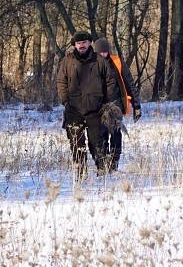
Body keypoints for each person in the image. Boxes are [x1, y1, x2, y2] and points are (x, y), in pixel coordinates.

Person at [56, 31, 123, 179]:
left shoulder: (99, 60)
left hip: (96, 110)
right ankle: (81, 173)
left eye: (84, 42)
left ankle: (102, 171)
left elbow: (110, 81)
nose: (81, 45)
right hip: (73, 110)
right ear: (74, 45)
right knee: (76, 143)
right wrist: (66, 101)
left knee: (97, 143)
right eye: (78, 43)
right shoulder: (67, 61)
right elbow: (61, 81)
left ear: (90, 43)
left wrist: (106, 103)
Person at [94, 38, 142, 172]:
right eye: (100, 52)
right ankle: (103, 165)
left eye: (105, 52)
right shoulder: (91, 65)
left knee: (115, 135)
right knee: (101, 136)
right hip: (98, 107)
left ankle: (114, 164)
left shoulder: (117, 62)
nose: (103, 54)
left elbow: (129, 83)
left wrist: (136, 105)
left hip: (116, 106)